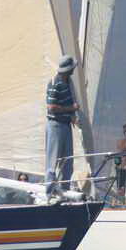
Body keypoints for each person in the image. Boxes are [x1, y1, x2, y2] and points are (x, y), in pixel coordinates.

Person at [45, 55, 81, 195]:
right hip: (56, 125)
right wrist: (71, 108)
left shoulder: (68, 83)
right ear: (68, 69)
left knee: (67, 161)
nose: (73, 70)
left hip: (65, 125)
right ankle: (49, 191)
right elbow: (51, 107)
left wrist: (72, 116)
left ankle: (65, 190)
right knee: (53, 160)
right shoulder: (55, 83)